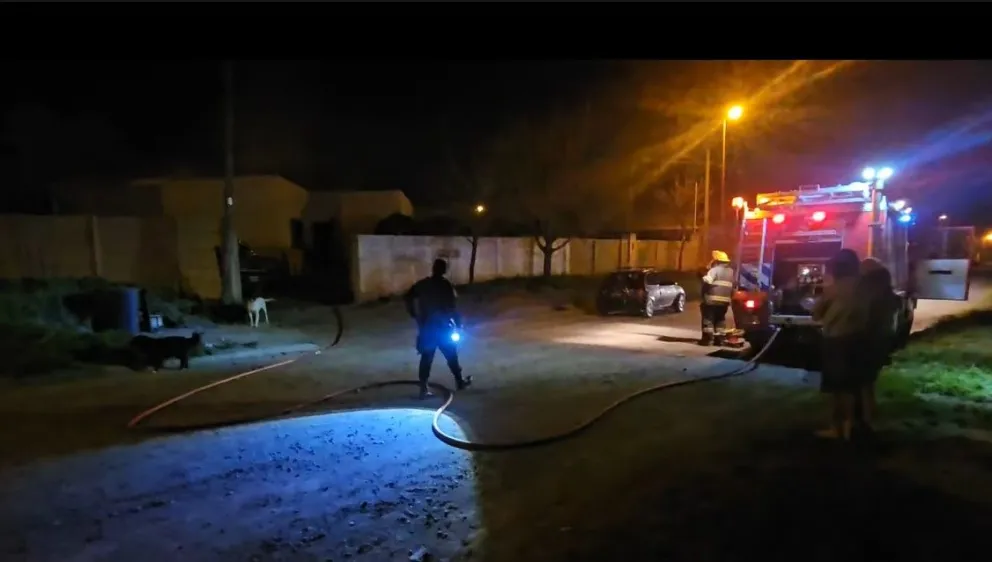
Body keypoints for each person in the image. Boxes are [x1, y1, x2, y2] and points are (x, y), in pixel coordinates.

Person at [811, 248, 864, 440]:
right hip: (858, 340)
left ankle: (837, 429)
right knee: (852, 386)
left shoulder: (834, 289)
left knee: (838, 388)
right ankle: (851, 427)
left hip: (836, 342)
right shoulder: (862, 287)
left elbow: (816, 313)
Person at [403, 258, 472, 399]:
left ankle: (424, 388)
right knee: (451, 355)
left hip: (427, 328)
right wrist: (459, 324)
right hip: (442, 327)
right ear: (444, 270)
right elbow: (452, 307)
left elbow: (408, 296)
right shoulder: (446, 286)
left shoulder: (423, 284)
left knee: (427, 358)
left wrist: (414, 314)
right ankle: (459, 382)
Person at [855, 257, 901, 433]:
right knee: (869, 381)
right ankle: (870, 413)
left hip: (867, 341)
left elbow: (863, 318)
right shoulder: (889, 296)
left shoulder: (868, 295)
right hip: (881, 342)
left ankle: (867, 420)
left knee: (863, 383)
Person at [699, 250, 735, 346]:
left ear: (716, 260)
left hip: (711, 300)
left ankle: (708, 340)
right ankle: (720, 340)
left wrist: (702, 273)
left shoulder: (714, 270)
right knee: (720, 320)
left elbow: (707, 280)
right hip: (724, 302)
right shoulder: (731, 272)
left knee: (708, 319)